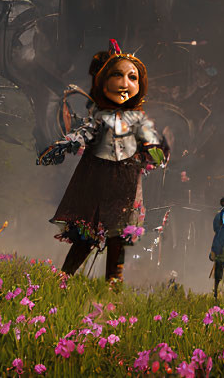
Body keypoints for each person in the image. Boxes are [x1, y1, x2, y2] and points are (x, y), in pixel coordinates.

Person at [38, 40, 167, 284]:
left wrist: (155, 152)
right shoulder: (99, 117)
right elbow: (83, 133)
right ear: (104, 79)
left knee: (118, 235)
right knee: (87, 232)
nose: (125, 83)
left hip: (126, 179)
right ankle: (64, 278)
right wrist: (64, 145)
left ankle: (112, 285)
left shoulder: (138, 119)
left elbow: (151, 142)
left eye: (132, 77)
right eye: (117, 74)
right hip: (96, 177)